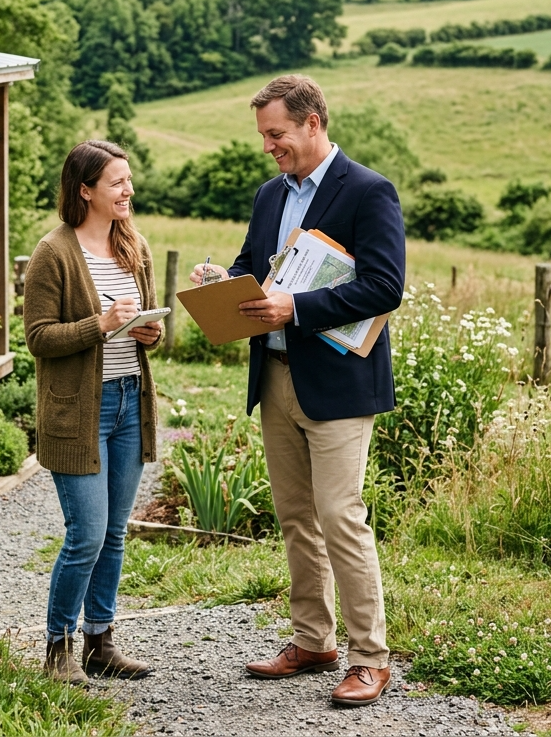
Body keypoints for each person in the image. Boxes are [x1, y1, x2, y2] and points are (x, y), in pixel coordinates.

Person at [191, 74, 404, 708]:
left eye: (277, 134)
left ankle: (371, 658)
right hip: (275, 378)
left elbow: (384, 287)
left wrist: (297, 309)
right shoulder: (269, 195)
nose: (268, 147)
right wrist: (220, 280)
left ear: (314, 123)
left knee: (341, 518)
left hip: (339, 383)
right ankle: (314, 641)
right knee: (295, 520)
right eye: (263, 135)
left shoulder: (368, 191)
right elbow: (251, 266)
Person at [24, 139, 163, 685]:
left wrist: (148, 332)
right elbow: (38, 338)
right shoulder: (53, 254)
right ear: (85, 191)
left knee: (116, 532)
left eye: (129, 180)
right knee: (87, 533)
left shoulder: (135, 246)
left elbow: (143, 334)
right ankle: (57, 649)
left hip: (130, 400)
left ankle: (100, 643)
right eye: (117, 182)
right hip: (80, 410)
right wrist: (100, 326)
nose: (128, 190)